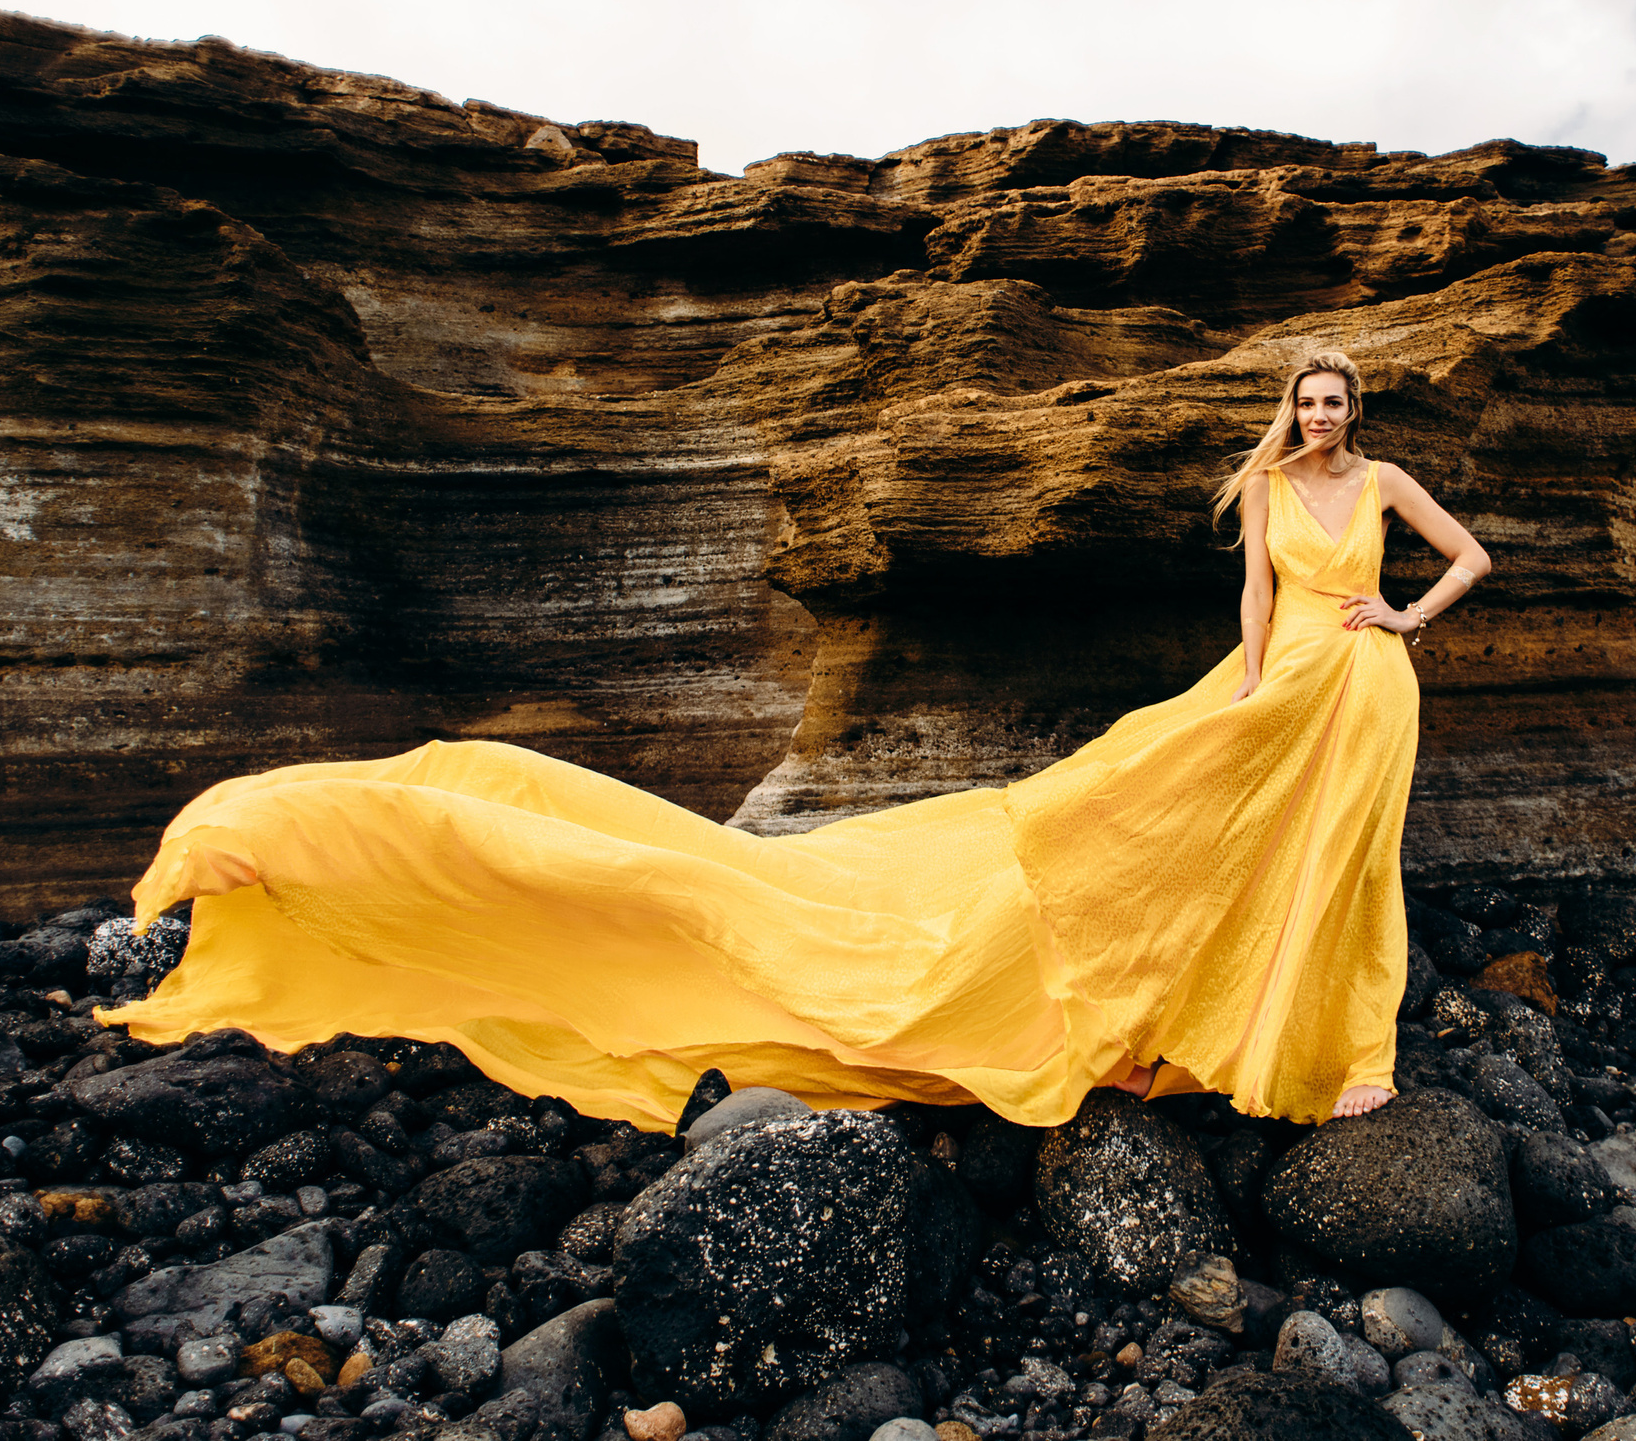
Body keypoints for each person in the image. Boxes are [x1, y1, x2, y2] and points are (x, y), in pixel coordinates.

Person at [99, 350, 1490, 1128]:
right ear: (1290, 410)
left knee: (1344, 855)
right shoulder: (1268, 489)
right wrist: (1242, 687)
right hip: (1274, 681)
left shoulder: (1382, 479)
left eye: (1335, 402)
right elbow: (1251, 598)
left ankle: (1342, 1052)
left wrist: (1408, 616)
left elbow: (1472, 556)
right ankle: (1215, 1016)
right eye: (1307, 401)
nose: (1321, 417)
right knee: (1189, 826)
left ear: (1355, 411)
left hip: (1367, 681)